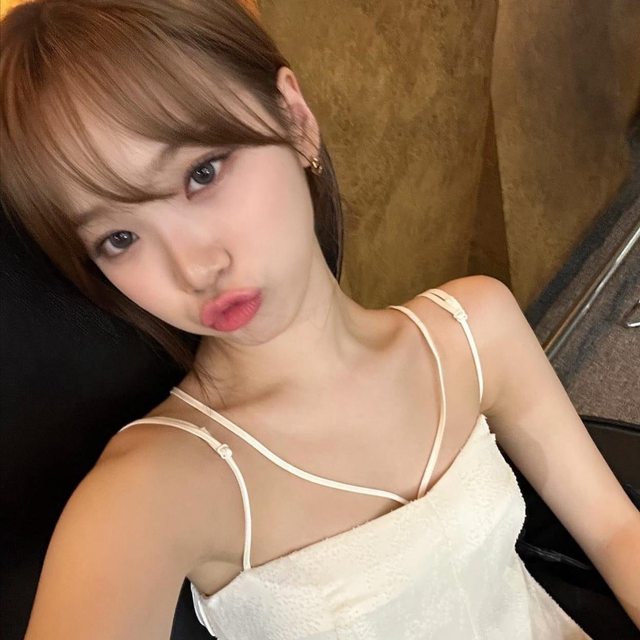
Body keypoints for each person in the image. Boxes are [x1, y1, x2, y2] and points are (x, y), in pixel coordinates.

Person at [1, 1, 638, 638]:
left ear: (294, 118)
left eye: (202, 173)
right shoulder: (149, 492)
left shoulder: (475, 328)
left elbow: (615, 530)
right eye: (118, 238)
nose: (194, 268)